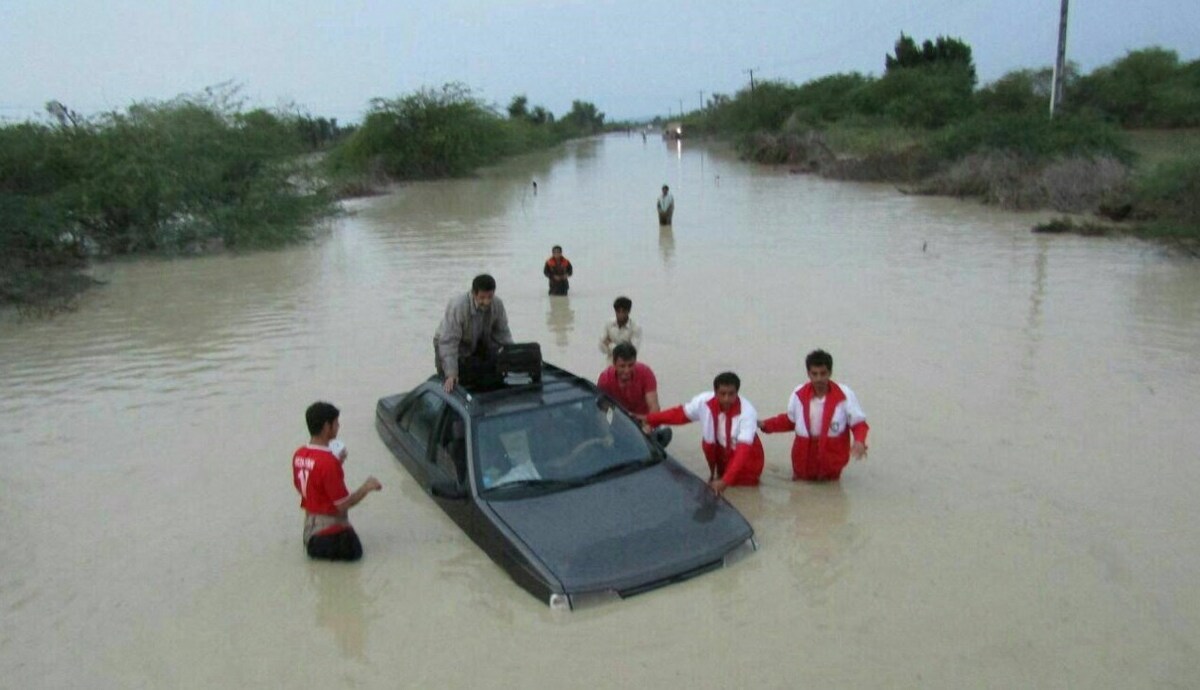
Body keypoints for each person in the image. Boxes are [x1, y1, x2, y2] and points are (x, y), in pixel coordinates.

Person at [644, 372, 764, 495]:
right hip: (720, 452)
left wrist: (725, 481)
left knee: (744, 493)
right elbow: (679, 415)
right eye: (722, 394)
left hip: (747, 459)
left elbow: (742, 452)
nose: (726, 399)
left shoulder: (747, 413)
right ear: (715, 392)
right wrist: (648, 419)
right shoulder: (703, 402)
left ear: (737, 393)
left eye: (731, 394)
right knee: (718, 484)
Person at [759, 349, 869, 481]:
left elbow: (859, 424)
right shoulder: (798, 394)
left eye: (823, 373)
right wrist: (766, 425)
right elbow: (790, 421)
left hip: (832, 458)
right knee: (800, 492)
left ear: (830, 372)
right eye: (814, 374)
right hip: (803, 456)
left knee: (831, 492)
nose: (819, 379)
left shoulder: (845, 395)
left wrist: (859, 441)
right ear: (808, 374)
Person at [291, 402, 382, 561]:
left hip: (310, 534)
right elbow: (343, 504)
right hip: (331, 539)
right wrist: (366, 487)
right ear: (327, 427)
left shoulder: (299, 454)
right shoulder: (328, 463)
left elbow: (308, 486)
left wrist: (337, 463)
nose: (338, 426)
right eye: (336, 423)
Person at [434, 273, 515, 392]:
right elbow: (449, 342)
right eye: (482, 297)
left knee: (486, 375)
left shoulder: (497, 304)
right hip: (447, 343)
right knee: (451, 382)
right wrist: (451, 373)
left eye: (490, 297)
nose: (486, 302)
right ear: (473, 293)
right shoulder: (458, 306)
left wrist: (514, 355)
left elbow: (503, 334)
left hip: (476, 340)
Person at [596, 342, 659, 419]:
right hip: (618, 421)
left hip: (643, 421)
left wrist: (648, 427)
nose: (627, 370)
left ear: (635, 362)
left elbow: (654, 407)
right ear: (614, 364)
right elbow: (602, 410)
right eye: (622, 366)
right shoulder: (605, 380)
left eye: (630, 365)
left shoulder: (646, 373)